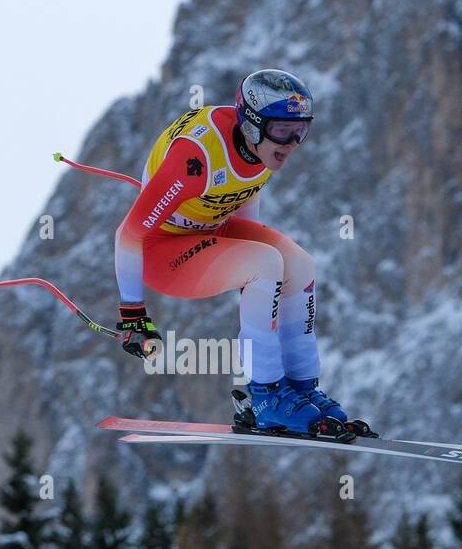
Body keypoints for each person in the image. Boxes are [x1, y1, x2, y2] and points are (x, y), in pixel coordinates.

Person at [110, 69, 370, 438]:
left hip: (207, 228)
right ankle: (264, 396)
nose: (293, 142)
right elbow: (130, 232)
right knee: (265, 264)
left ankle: (300, 388)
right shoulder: (195, 157)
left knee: (300, 265)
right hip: (162, 250)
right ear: (252, 123)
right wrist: (133, 315)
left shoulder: (263, 147)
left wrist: (254, 279)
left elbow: (243, 192)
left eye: (302, 131)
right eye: (283, 130)